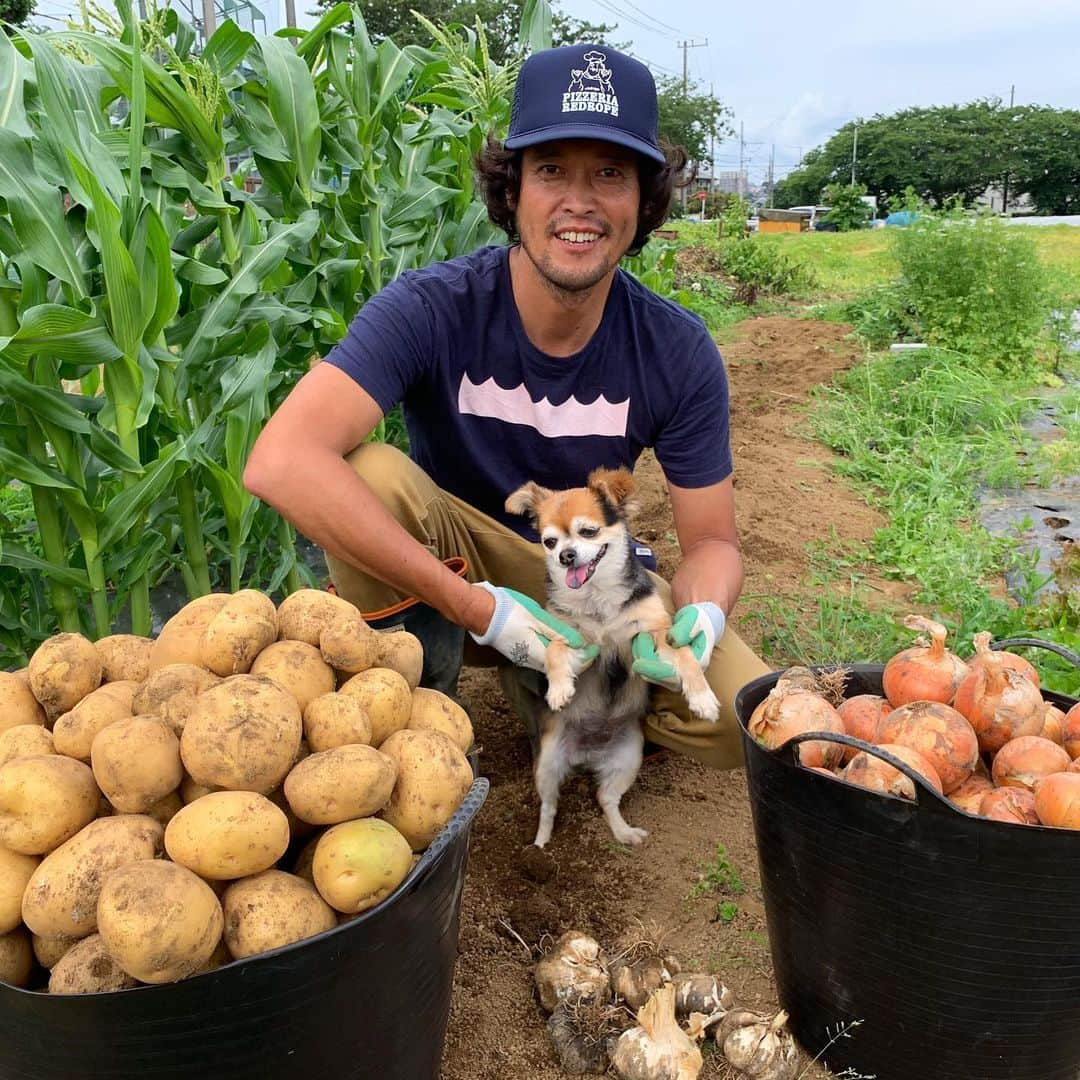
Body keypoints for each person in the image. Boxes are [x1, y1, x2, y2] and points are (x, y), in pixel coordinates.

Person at [244, 44, 770, 770]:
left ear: (642, 201)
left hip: (593, 576)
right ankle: (416, 722)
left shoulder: (675, 349)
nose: (579, 202)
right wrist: (480, 611)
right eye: (551, 169)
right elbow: (281, 460)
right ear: (512, 188)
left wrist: (702, 619)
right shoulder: (431, 308)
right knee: (368, 473)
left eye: (610, 174)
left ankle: (562, 682)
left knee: (744, 718)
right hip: (457, 572)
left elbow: (712, 543)